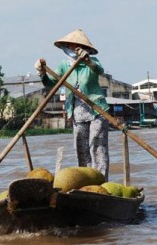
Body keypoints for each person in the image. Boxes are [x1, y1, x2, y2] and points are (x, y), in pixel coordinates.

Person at [34, 29, 110, 178]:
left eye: (76, 46)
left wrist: (87, 60)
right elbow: (51, 85)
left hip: (97, 111)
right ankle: (86, 180)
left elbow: (99, 70)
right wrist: (42, 73)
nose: (72, 48)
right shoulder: (64, 65)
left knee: (97, 146)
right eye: (69, 45)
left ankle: (101, 180)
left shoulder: (91, 63)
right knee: (81, 148)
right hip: (77, 113)